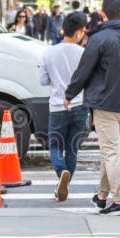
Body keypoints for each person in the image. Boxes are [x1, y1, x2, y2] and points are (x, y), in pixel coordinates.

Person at [64, 0, 120, 216]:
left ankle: (118, 200)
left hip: (105, 103)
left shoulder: (99, 40)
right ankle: (102, 196)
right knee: (110, 150)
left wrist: (70, 94)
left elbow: (84, 71)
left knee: (110, 152)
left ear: (102, 13)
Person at [40, 12, 89, 201]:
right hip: (79, 105)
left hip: (57, 106)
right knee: (72, 147)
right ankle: (65, 183)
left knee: (54, 145)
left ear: (63, 30)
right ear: (78, 32)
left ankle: (61, 173)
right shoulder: (83, 53)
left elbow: (43, 80)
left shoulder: (49, 52)